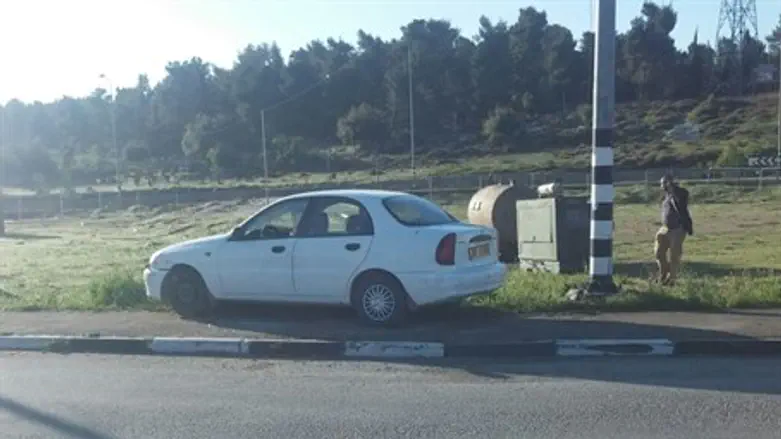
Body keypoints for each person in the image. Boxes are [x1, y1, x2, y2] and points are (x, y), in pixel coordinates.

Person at [655, 175, 693, 286]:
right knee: (659, 253)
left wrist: (673, 190)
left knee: (674, 255)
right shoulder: (666, 195)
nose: (662, 186)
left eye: (663, 183)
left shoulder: (680, 193)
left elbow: (681, 202)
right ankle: (663, 274)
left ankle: (672, 279)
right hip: (665, 228)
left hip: (677, 228)